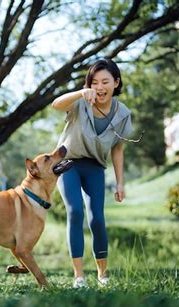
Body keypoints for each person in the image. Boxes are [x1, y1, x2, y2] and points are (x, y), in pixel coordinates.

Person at [51, 59, 133, 288]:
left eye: (105, 81)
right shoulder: (80, 102)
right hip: (68, 164)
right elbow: (56, 104)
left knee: (97, 219)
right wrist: (80, 92)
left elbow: (117, 150)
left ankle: (102, 275)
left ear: (116, 83)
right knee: (75, 211)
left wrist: (120, 183)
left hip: (95, 167)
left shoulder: (123, 114)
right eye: (94, 82)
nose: (100, 87)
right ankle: (79, 277)